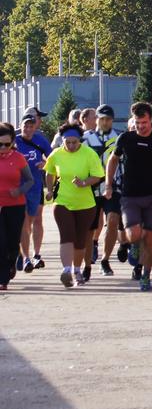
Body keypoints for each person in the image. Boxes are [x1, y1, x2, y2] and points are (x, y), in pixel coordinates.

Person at [105, 101, 152, 291]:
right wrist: (109, 185)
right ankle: (134, 245)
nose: (141, 126)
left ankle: (145, 275)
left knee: (150, 239)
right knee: (133, 233)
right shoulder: (126, 138)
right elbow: (113, 160)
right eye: (137, 122)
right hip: (130, 195)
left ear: (151, 121)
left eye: (144, 122)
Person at [44, 122, 105, 287]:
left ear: (80, 140)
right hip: (63, 201)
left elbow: (98, 176)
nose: (71, 145)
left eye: (74, 142)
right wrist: (49, 190)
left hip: (86, 204)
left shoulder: (89, 154)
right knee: (66, 235)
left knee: (80, 239)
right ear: (62, 141)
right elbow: (49, 172)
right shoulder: (56, 154)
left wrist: (84, 182)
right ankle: (66, 270)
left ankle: (77, 270)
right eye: (67, 142)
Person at [84, 104, 120, 277]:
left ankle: (105, 260)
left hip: (112, 188)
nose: (105, 122)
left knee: (112, 220)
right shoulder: (85, 139)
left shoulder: (119, 137)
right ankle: (87, 264)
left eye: (108, 119)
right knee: (90, 227)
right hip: (91, 188)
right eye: (102, 119)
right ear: (96, 119)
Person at [15, 108, 51, 273]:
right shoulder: (14, 142)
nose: (28, 129)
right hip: (19, 187)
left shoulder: (40, 140)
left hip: (36, 187)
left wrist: (45, 164)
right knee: (24, 223)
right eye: (25, 126)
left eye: (31, 126)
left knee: (36, 220)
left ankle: (36, 254)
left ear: (35, 127)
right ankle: (25, 257)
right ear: (20, 126)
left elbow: (52, 158)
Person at [0, 123, 34, 291]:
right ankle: (3, 278)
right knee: (1, 242)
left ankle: (13, 261)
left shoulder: (18, 158)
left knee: (13, 242)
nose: (3, 148)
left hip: (16, 205)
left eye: (7, 144)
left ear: (12, 142)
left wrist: (19, 190)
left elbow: (30, 180)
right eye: (0, 144)